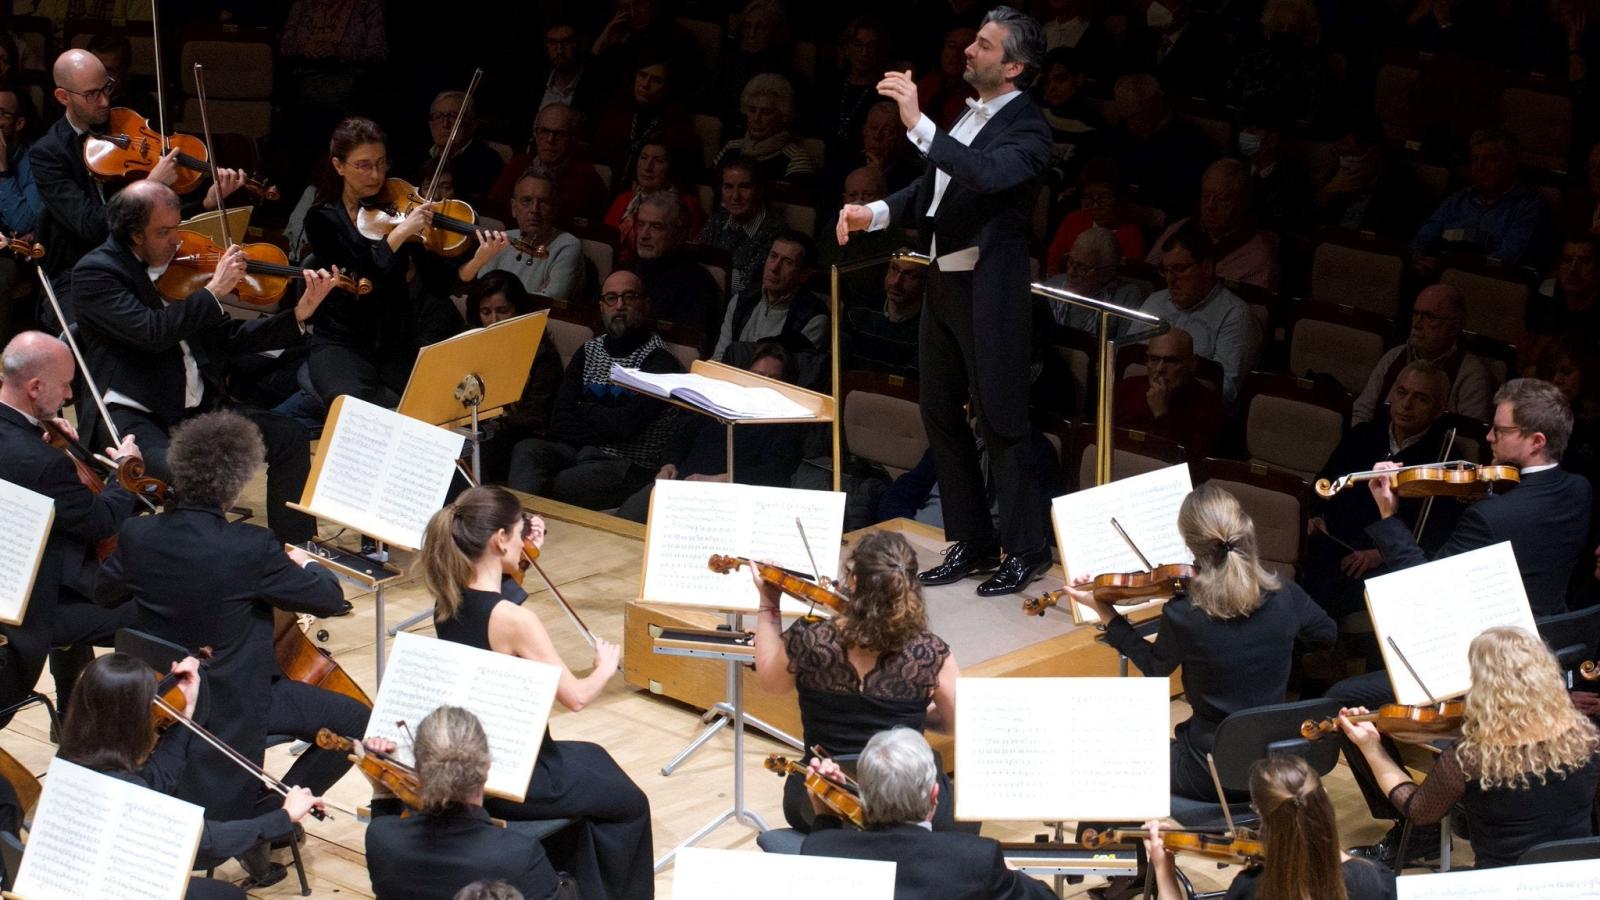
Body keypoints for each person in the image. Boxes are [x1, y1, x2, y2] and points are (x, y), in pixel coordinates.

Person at [838, 6, 1056, 597]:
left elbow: (984, 176)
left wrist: (916, 120)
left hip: (990, 291)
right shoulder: (965, 115)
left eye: (984, 46)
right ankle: (973, 540)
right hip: (943, 283)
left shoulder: (1030, 131)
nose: (969, 51)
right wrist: (874, 212)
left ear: (1014, 66)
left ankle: (1027, 547)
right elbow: (933, 189)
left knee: (1002, 423)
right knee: (938, 413)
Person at [94, 411, 369, 832]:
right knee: (358, 723)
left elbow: (104, 591)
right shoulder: (250, 547)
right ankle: (270, 814)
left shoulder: (138, 534)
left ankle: (261, 819)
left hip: (160, 695)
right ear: (237, 483)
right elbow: (329, 600)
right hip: (233, 701)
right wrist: (308, 565)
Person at [420, 485, 651, 900]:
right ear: (500, 539)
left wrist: (524, 557)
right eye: (517, 530)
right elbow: (576, 697)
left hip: (478, 761)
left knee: (595, 757)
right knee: (631, 803)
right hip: (523, 774)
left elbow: (488, 605)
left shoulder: (445, 598)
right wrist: (604, 667)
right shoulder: (516, 621)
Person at [72, 180, 330, 545]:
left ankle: (293, 550)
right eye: (163, 232)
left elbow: (226, 339)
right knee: (191, 478)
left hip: (195, 410)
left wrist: (296, 318)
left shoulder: (178, 268)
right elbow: (152, 332)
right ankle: (192, 568)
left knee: (289, 435)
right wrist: (213, 292)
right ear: (134, 235)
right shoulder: (96, 273)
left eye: (177, 228)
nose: (177, 241)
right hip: (137, 415)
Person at [1068, 484, 1336, 800]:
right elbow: (1325, 635)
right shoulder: (1285, 594)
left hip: (1211, 769)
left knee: (1106, 752)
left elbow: (1155, 669)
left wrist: (1107, 613)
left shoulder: (1184, 614)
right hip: (1275, 762)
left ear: (1191, 545)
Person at [58, 653, 327, 896]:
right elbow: (208, 841)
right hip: (117, 887)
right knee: (228, 896)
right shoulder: (127, 791)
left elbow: (156, 778)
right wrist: (284, 816)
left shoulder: (73, 754)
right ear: (131, 720)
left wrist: (187, 715)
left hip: (87, 873)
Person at [1339, 626, 1600, 868]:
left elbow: (1418, 811)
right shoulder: (1587, 736)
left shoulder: (1471, 758)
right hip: (1579, 875)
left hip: (1504, 884)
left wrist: (1373, 749)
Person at [754, 531, 958, 829]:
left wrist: (768, 602)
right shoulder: (930, 653)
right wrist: (912, 714)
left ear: (853, 581)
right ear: (910, 586)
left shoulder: (811, 639)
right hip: (907, 805)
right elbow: (955, 724)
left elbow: (771, 683)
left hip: (818, 801)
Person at [32, 49, 243, 315]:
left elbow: (158, 224)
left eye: (106, 87)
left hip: (141, 263)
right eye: (91, 95)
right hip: (81, 272)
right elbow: (89, 227)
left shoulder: (125, 128)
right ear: (63, 97)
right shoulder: (48, 154)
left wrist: (206, 202)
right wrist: (147, 188)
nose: (105, 101)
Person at [1363, 378, 1592, 618]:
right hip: (1551, 634)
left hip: (1495, 647)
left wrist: (1389, 514)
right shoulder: (1580, 490)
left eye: (1501, 430)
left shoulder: (1488, 517)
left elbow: (1424, 587)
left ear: (1537, 441)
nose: (1489, 437)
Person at [0, 331, 141, 717]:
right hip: (25, 616)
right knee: (154, 611)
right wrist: (124, 476)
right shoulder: (43, 464)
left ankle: (70, 714)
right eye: (64, 385)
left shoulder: (33, 451)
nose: (67, 397)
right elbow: (101, 520)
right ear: (34, 387)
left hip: (9, 579)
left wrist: (43, 439)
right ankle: (102, 725)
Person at [799, 727, 1053, 900]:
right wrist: (1011, 874)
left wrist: (825, 816)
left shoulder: (820, 847)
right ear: (934, 796)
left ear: (863, 793)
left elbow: (828, 852)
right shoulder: (977, 858)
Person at [302, 116, 449, 409]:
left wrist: (475, 257)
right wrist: (400, 234)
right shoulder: (322, 219)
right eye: (364, 165)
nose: (376, 175)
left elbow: (438, 284)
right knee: (359, 414)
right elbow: (357, 276)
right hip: (341, 344)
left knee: (437, 408)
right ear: (338, 166)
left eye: (382, 163)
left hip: (397, 344)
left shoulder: (398, 207)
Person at [508, 270, 682, 510]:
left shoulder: (660, 362)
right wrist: (606, 422)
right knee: (527, 450)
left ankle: (523, 530)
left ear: (645, 304)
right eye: (611, 298)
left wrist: (583, 409)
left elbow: (627, 426)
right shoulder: (588, 352)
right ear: (601, 306)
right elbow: (559, 421)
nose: (619, 305)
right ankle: (517, 530)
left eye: (628, 297)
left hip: (626, 464)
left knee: (555, 486)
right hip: (577, 451)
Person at [1305, 362, 1456, 621]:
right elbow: (1325, 483)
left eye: (1420, 399)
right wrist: (1316, 515)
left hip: (1384, 565)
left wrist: (1381, 554)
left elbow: (1436, 535)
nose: (1406, 405)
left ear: (1439, 409)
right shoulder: (1363, 434)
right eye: (1401, 393)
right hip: (1333, 545)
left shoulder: (1445, 459)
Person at [361, 707, 562, 900]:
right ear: (486, 766)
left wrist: (383, 791)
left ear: (417, 769)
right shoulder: (520, 854)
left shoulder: (382, 838)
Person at [1144, 755, 1396, 900]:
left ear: (1263, 817)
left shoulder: (1253, 888)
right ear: (1325, 800)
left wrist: (1164, 870)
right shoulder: (1376, 879)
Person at [617, 342, 805, 521]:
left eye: (773, 379)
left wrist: (722, 479)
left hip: (727, 499)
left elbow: (775, 473)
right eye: (758, 375)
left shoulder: (788, 422)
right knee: (629, 514)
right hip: (679, 486)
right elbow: (681, 438)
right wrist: (668, 465)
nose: (764, 384)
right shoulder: (719, 402)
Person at [1136, 224, 1260, 404]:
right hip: (1138, 401)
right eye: (1166, 270)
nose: (1170, 279)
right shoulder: (1155, 301)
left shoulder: (1235, 315)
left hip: (1192, 415)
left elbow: (1225, 390)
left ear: (1207, 267)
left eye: (1179, 269)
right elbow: (1126, 359)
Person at [458, 273, 563, 484]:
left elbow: (537, 417)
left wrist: (494, 418)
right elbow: (459, 399)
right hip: (478, 430)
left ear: (519, 311)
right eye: (486, 312)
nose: (494, 321)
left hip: (519, 439)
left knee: (479, 448)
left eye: (502, 311)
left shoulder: (542, 355)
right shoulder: (471, 348)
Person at [1352, 285, 1495, 425]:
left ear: (1454, 326)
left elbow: (1469, 436)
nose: (1417, 324)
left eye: (1429, 317)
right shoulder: (1394, 356)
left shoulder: (1470, 374)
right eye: (1415, 314)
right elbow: (1363, 411)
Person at [1410, 129, 1549, 271]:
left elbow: (1509, 258)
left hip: (1489, 281)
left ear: (1512, 164)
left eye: (1489, 159)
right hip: (1438, 272)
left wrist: (1454, 266)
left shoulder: (1527, 206)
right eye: (1475, 159)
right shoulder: (1458, 200)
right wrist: (1416, 257)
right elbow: (1424, 237)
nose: (1479, 167)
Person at [1146, 158, 1279, 291]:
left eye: (1222, 198)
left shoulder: (1256, 255)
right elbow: (1145, 273)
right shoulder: (1179, 229)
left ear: (1243, 201)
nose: (1210, 206)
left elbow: (1251, 307)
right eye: (1206, 196)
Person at [457, 172, 584, 304]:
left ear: (554, 208)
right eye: (526, 201)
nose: (534, 209)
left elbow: (551, 299)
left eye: (544, 202)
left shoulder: (568, 245)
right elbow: (483, 290)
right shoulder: (503, 238)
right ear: (514, 207)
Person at [1106, 73, 1215, 221]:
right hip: (1117, 210)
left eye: (1136, 115)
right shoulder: (1121, 131)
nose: (1130, 124)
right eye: (1125, 116)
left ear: (1156, 103)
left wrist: (1152, 213)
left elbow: (1190, 196)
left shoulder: (1189, 138)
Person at [1111, 327, 1227, 461]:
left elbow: (1189, 462)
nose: (1160, 369)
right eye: (1154, 359)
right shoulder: (1127, 387)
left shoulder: (1209, 406)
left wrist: (1161, 414)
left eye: (1171, 361)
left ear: (1192, 363)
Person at [488, 104, 608, 229]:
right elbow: (493, 206)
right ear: (535, 133)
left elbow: (560, 220)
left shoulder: (587, 179)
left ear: (574, 138)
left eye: (560, 134)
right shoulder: (518, 163)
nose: (550, 139)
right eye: (545, 131)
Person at [712, 229, 826, 359]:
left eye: (787, 262)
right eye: (773, 256)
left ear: (804, 275)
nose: (774, 268)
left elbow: (794, 374)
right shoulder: (741, 301)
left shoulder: (813, 319)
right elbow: (720, 358)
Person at [1311, 118, 1428, 239]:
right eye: (1338, 153)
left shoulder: (1403, 189)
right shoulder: (1337, 175)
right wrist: (1325, 194)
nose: (1343, 161)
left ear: (1374, 153)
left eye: (1350, 154)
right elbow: (1306, 225)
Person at [632, 191, 724, 340]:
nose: (643, 235)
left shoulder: (698, 284)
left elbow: (690, 345)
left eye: (656, 226)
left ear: (679, 234)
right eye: (641, 224)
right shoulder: (625, 268)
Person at [697, 156, 783, 302]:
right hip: (706, 299)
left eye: (744, 187)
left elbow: (750, 286)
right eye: (728, 187)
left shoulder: (775, 231)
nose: (735, 196)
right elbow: (695, 264)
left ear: (759, 190)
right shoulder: (717, 221)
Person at [604, 141, 703, 265]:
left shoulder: (686, 205)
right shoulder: (623, 199)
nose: (647, 167)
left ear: (671, 168)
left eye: (658, 161)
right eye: (643, 158)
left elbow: (688, 254)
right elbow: (603, 241)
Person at [1044, 159, 1145, 277]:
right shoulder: (1074, 220)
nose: (1095, 204)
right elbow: (1053, 262)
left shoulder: (1131, 234)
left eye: (1104, 197)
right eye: (1088, 197)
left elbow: (1129, 277)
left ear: (1118, 198)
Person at [712, 73, 815, 188]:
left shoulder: (795, 160)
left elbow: (798, 203)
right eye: (752, 110)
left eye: (766, 112)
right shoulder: (731, 147)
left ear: (782, 116)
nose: (756, 119)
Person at [1042, 224, 1149, 334]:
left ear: (1107, 273)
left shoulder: (1127, 296)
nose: (1070, 273)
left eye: (1083, 268)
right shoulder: (1052, 286)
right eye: (1070, 261)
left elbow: (1126, 349)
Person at [409, 90, 505, 207]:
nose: (445, 124)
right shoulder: (418, 156)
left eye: (454, 116)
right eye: (438, 116)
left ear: (472, 125)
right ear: (430, 126)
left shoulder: (488, 160)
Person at [843, 250, 926, 378]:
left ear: (925, 283)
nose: (896, 282)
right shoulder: (859, 314)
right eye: (893, 269)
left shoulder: (928, 329)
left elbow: (911, 385)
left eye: (910, 275)